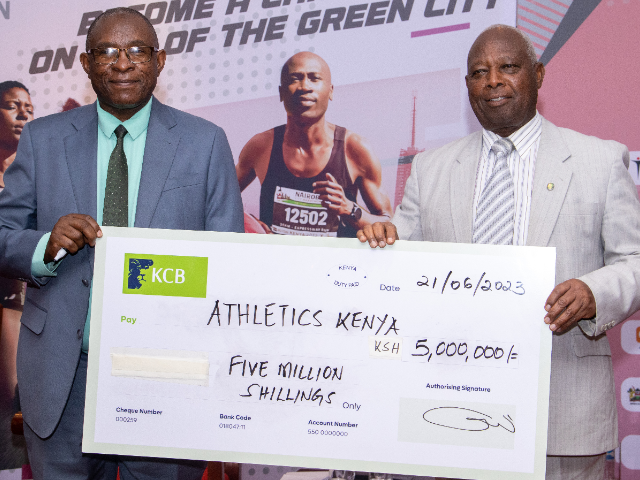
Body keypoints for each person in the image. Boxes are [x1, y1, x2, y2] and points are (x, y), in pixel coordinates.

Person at [358, 25, 640, 480]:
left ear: (539, 74)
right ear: (467, 85)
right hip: (451, 407)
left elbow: (635, 262)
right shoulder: (430, 169)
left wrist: (593, 292)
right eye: (478, 72)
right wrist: (381, 242)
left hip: (561, 414)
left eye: (508, 66)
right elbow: (400, 257)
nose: (493, 80)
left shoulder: (599, 160)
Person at [0, 8, 243, 480]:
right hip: (62, 379)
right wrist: (43, 247)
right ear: (87, 63)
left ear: (160, 61)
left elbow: (230, 259)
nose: (123, 62)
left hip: (166, 376)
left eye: (137, 50)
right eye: (107, 51)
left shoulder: (205, 143)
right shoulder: (42, 139)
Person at [236, 52, 392, 237]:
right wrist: (249, 223)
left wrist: (349, 209)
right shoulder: (261, 147)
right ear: (281, 93)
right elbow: (216, 202)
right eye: (295, 79)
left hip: (335, 265)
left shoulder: (355, 149)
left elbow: (389, 224)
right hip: (278, 264)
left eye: (314, 78)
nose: (304, 87)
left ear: (331, 91)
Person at [0, 80, 33, 470]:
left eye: (29, 106)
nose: (24, 113)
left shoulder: (28, 178)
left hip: (27, 308)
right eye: (12, 106)